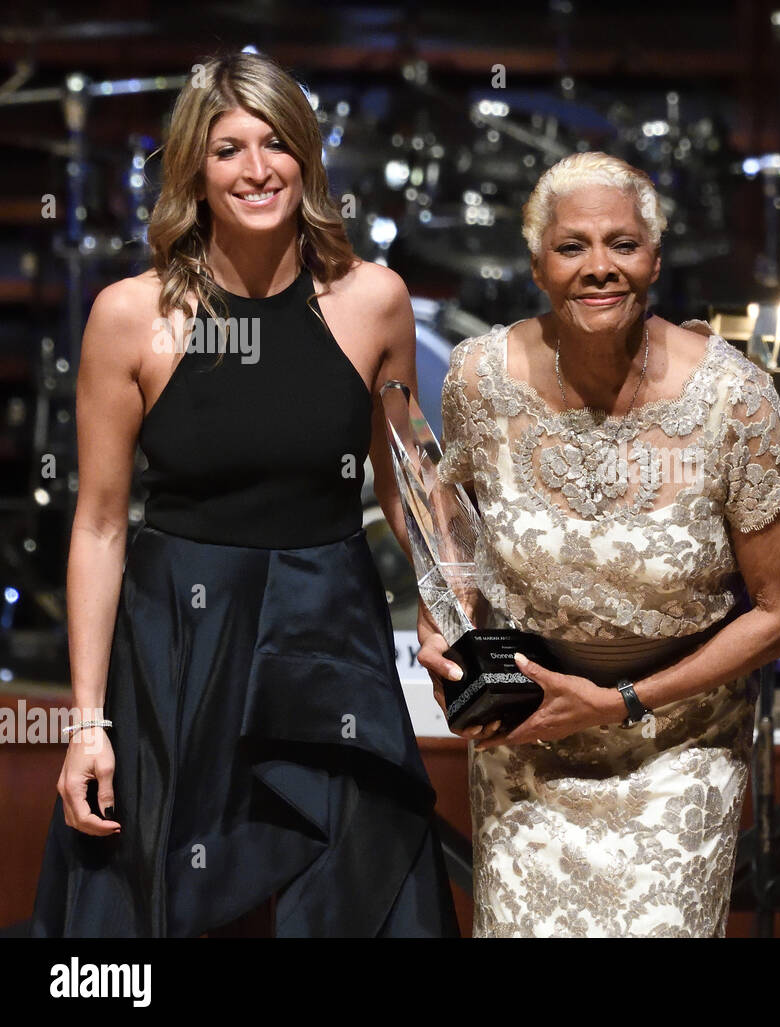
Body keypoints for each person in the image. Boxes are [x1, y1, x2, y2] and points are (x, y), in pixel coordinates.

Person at [30, 51, 459, 937]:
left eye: (275, 144)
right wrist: (86, 721)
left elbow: (410, 478)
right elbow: (102, 525)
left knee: (360, 887)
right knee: (152, 910)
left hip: (328, 628)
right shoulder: (128, 315)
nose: (256, 170)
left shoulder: (375, 300)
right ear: (195, 167)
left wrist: (445, 608)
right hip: (177, 641)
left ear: (305, 158)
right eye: (228, 149)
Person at [418, 151, 780, 936]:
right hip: (528, 740)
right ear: (538, 266)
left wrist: (623, 700)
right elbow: (449, 542)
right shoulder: (476, 378)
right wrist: (443, 638)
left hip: (679, 742)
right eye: (572, 246)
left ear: (657, 259)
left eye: (623, 244)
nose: (599, 267)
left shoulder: (732, 397)